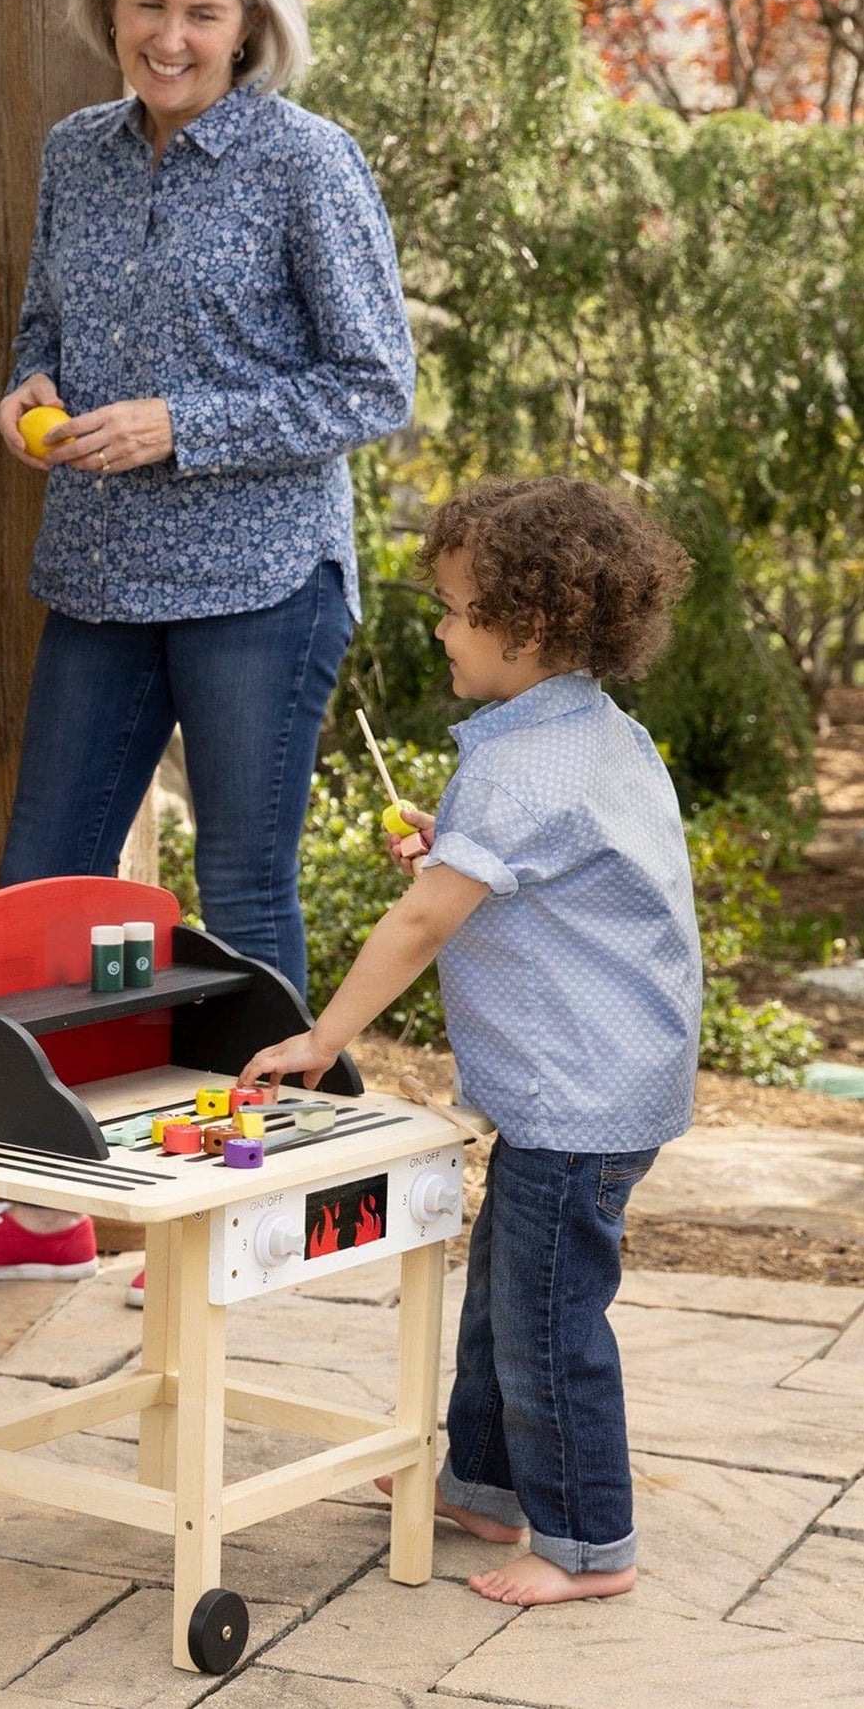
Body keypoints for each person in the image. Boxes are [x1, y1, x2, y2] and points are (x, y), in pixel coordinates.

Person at [0, 0, 413, 1294]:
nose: (168, 36)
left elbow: (376, 384)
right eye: (144, 7)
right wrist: (27, 394)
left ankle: (273, 1204)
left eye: (199, 13)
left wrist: (187, 425)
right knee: (41, 889)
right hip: (101, 573)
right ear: (106, 6)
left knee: (239, 905)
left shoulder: (309, 163)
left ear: (249, 28)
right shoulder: (78, 153)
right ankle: (43, 1206)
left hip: (258, 576)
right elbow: (43, 327)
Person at [237, 475, 703, 1608]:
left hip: (577, 1091)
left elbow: (419, 923)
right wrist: (462, 849)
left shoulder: (515, 762)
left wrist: (320, 1036)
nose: (439, 627)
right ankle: (487, 1483)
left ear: (527, 626)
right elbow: (557, 870)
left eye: (451, 608)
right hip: (603, 1079)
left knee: (546, 1319)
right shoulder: (590, 731)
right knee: (509, 1288)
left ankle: (588, 1541)